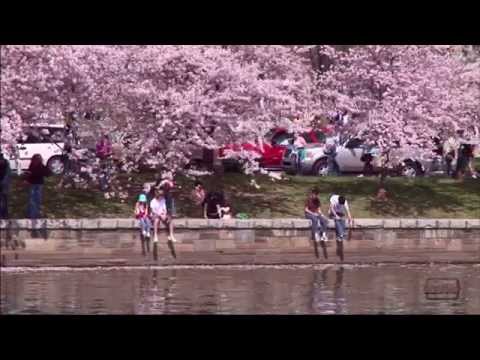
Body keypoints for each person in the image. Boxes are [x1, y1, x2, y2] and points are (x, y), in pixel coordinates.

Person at [25, 154, 52, 219]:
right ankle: (31, 215)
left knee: (37, 199)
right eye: (35, 160)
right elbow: (29, 174)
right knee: (32, 200)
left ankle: (36, 214)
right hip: (33, 184)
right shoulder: (32, 166)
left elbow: (48, 173)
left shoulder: (41, 166)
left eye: (38, 160)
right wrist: (27, 179)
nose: (36, 161)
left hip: (39, 184)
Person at [0, 153, 12, 219]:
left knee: (4, 200)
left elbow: (8, 175)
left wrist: (3, 182)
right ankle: (3, 215)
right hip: (3, 185)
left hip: (5, 185)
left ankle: (5, 215)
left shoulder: (6, 164)